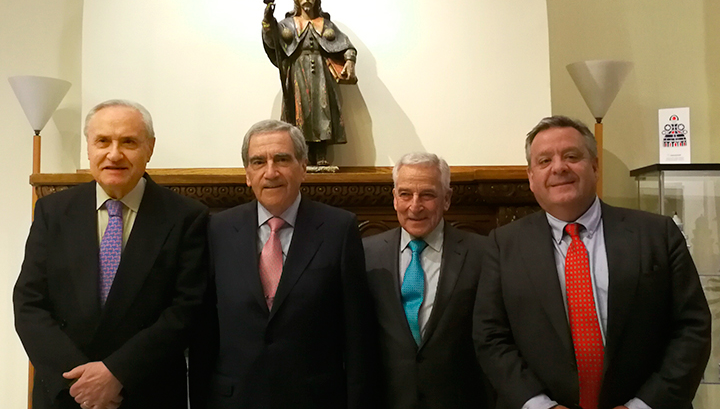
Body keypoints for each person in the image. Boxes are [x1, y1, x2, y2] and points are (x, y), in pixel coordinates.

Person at [474, 115, 711, 409]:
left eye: (571, 156)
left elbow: (692, 328)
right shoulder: (502, 245)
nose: (559, 167)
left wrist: (642, 406)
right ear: (531, 178)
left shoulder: (657, 234)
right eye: (544, 161)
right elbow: (490, 336)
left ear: (595, 167)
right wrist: (540, 405)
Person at [13, 100, 209, 409]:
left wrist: (117, 373)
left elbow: (186, 310)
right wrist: (79, 384)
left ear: (150, 148)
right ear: (88, 148)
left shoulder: (186, 217)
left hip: (145, 393)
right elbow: (29, 304)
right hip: (65, 395)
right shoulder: (53, 211)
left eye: (129, 142)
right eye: (103, 141)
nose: (114, 154)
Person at [189, 119, 379, 409]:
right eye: (258, 162)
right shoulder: (218, 230)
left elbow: (356, 336)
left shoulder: (338, 229)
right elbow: (204, 332)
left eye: (281, 159)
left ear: (303, 167)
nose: (270, 172)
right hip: (233, 400)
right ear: (247, 175)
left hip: (313, 399)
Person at [363, 152, 494, 409]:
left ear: (446, 199)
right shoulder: (365, 253)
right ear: (394, 199)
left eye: (427, 195)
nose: (415, 206)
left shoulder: (482, 253)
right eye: (405, 194)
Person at [262, 0, 357, 166]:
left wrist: (350, 61)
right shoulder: (287, 24)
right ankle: (302, 153)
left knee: (322, 110)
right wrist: (267, 20)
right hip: (297, 73)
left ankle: (321, 153)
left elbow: (347, 46)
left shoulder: (326, 24)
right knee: (299, 110)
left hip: (321, 75)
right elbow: (273, 41)